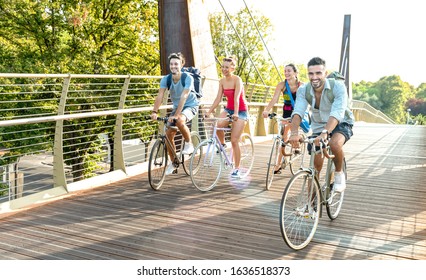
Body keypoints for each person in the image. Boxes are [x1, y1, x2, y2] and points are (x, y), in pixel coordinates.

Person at [289, 57, 354, 192]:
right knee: (314, 168)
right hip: (319, 126)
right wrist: (294, 133)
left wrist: (326, 133)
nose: (314, 77)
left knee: (334, 144)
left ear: (325, 73)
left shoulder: (338, 86)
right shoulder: (304, 90)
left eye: (318, 73)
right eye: (311, 74)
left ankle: (338, 173)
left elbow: (337, 113)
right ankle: (311, 207)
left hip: (341, 122)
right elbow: (298, 112)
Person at [151, 52, 199, 175]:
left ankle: (189, 144)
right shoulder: (166, 79)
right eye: (171, 64)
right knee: (168, 136)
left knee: (179, 120)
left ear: (181, 64)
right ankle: (174, 162)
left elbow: (184, 96)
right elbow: (160, 96)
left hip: (190, 105)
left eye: (176, 64)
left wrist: (177, 115)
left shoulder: (188, 78)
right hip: (177, 107)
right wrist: (154, 111)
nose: (173, 66)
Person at [204, 56, 249, 178]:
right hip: (229, 109)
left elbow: (236, 98)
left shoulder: (237, 79)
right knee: (217, 125)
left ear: (233, 68)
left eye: (227, 67)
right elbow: (218, 98)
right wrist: (209, 111)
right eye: (222, 67)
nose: (224, 69)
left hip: (240, 110)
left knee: (234, 140)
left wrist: (235, 113)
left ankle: (237, 168)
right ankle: (222, 145)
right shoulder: (222, 81)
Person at [262, 63, 303, 174]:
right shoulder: (282, 85)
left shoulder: (301, 86)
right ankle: (278, 164)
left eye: (289, 71)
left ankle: (296, 144)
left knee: (292, 129)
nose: (286, 73)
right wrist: (267, 110)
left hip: (297, 112)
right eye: (285, 71)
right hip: (286, 112)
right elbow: (275, 98)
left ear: (295, 72)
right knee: (283, 138)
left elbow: (307, 101)